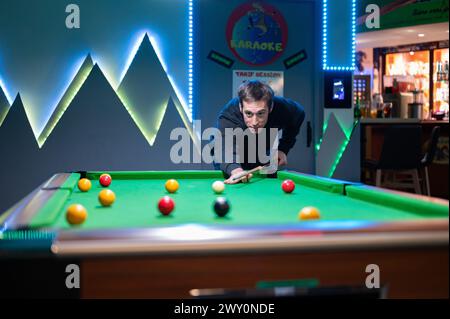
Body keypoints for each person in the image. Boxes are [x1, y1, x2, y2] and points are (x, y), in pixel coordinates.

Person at [213, 80, 305, 184]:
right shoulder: (229, 116)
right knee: (234, 173)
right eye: (248, 113)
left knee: (263, 179)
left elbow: (299, 114)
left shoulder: (283, 108)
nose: (254, 122)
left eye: (260, 113)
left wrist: (283, 148)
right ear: (240, 107)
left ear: (271, 108)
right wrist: (236, 171)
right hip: (226, 150)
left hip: (260, 148)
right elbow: (225, 150)